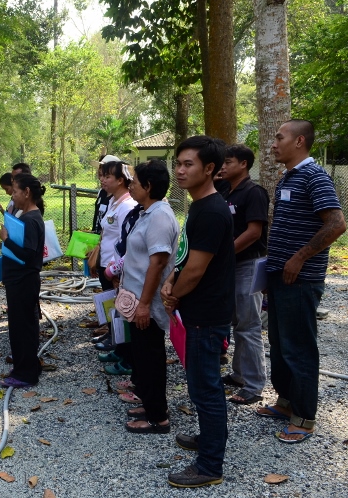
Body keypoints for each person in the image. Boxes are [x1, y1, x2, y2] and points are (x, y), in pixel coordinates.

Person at [255, 120, 346, 443]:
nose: (273, 143)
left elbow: (336, 224)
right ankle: (286, 402)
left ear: (300, 141)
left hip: (301, 278)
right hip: (279, 276)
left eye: (279, 137)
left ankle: (305, 417)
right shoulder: (287, 178)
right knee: (280, 344)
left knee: (299, 348)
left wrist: (300, 257)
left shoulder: (314, 176)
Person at [161, 136, 234, 488]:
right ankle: (209, 439)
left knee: (205, 388)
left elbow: (197, 270)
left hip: (207, 313)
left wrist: (173, 294)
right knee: (201, 385)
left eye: (188, 164)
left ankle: (209, 465)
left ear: (209, 169)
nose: (180, 170)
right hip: (198, 310)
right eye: (178, 163)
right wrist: (171, 278)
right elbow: (186, 258)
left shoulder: (213, 211)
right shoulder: (199, 207)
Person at [120, 161, 179, 434]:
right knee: (142, 357)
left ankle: (158, 418)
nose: (130, 185)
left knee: (151, 359)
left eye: (134, 181)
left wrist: (144, 304)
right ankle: (149, 403)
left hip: (148, 304)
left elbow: (157, 264)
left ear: (149, 186)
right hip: (136, 301)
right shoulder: (147, 212)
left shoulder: (159, 216)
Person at [217, 145, 269, 405]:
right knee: (237, 322)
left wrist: (224, 253)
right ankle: (239, 374)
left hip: (248, 264)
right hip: (230, 266)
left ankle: (254, 384)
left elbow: (254, 232)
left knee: (249, 325)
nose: (222, 167)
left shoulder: (253, 192)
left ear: (244, 164)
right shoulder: (227, 190)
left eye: (228, 162)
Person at [0, 174, 46, 388]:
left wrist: (6, 240)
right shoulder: (24, 216)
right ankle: (25, 365)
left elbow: (28, 254)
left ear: (27, 193)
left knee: (24, 327)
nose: (13, 196)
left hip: (24, 281)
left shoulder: (31, 220)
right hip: (17, 280)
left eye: (16, 192)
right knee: (20, 326)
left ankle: (26, 373)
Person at [94, 161, 137, 375]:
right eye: (102, 176)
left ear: (121, 180)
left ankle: (127, 357)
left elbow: (125, 242)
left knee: (122, 313)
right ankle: (119, 348)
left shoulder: (128, 206)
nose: (102, 180)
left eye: (108, 176)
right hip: (106, 266)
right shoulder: (113, 202)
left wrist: (116, 271)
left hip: (116, 270)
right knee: (113, 311)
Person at [90, 154, 121, 235]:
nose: (101, 178)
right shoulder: (101, 192)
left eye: (106, 176)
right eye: (100, 174)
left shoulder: (118, 198)